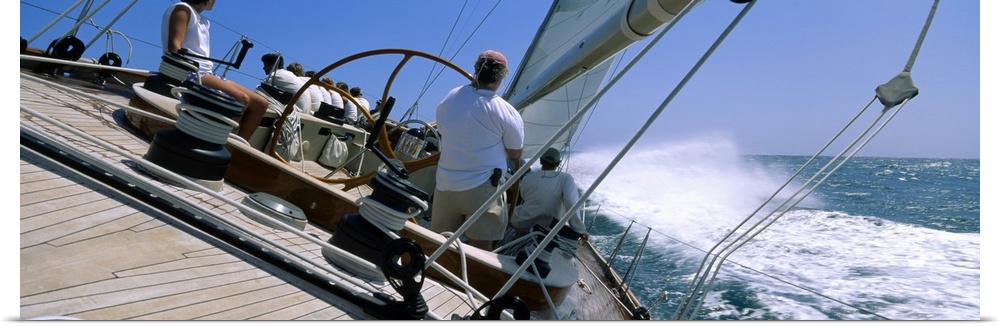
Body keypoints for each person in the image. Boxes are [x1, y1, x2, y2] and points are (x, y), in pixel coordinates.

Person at [431, 50, 524, 251]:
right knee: (481, 249)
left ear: (475, 70)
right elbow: (515, 153)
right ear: (501, 78)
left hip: (445, 184)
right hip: (482, 189)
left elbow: (443, 129)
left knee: (439, 243)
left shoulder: (450, 97)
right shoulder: (507, 113)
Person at [161, 0, 267, 141]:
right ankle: (218, 143)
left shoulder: (204, 21)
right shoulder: (182, 9)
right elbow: (174, 47)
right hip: (190, 73)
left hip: (207, 73)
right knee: (241, 99)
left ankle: (236, 150)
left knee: (261, 104)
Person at [510, 147, 589, 240]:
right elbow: (571, 203)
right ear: (558, 163)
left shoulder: (527, 178)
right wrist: (579, 229)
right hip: (549, 228)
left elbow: (524, 196)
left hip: (524, 224)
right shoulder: (566, 179)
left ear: (540, 160)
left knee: (508, 207)